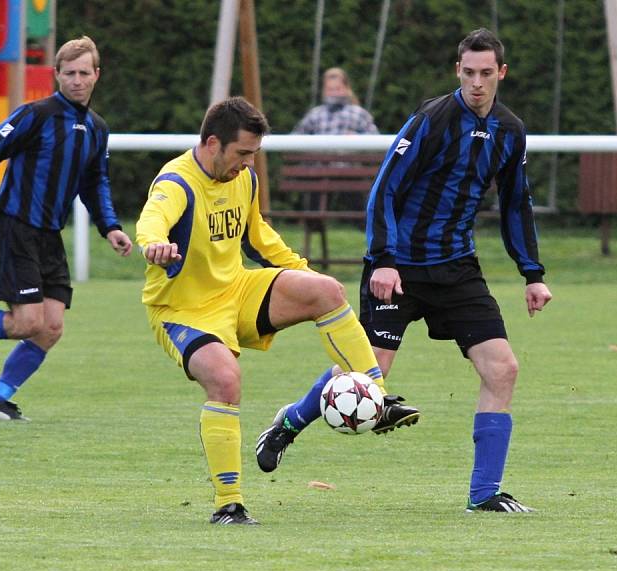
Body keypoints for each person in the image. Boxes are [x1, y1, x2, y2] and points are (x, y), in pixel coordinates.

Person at [257, 28, 553, 513]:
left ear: (501, 73)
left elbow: (516, 204)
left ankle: (484, 495)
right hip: (397, 268)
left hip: (456, 268)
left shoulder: (510, 130)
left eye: (486, 73)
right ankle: (288, 423)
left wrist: (532, 273)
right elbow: (385, 191)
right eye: (468, 72)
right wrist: (384, 260)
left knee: (503, 369)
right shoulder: (432, 120)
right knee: (368, 376)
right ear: (458, 70)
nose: (477, 83)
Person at [135, 97, 419, 526]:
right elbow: (152, 219)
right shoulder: (177, 182)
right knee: (226, 380)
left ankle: (376, 398)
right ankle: (228, 504)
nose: (248, 163)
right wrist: (154, 242)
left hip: (237, 290)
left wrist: (303, 274)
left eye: (254, 153)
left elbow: (257, 236)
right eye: (242, 153)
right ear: (213, 143)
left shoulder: (244, 178)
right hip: (184, 309)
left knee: (326, 291)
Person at [0, 36, 133, 420]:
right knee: (26, 322)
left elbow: (95, 181)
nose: (77, 80)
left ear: (97, 75)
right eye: (69, 73)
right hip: (16, 228)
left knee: (50, 327)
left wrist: (109, 226)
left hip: (49, 237)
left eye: (84, 73)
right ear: (57, 74)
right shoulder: (37, 114)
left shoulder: (98, 128)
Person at [293, 67, 379, 135]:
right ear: (324, 91)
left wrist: (358, 139)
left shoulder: (359, 114)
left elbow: (374, 139)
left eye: (338, 89)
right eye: (330, 89)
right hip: (320, 157)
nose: (334, 93)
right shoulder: (315, 114)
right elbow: (296, 137)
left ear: (346, 89)